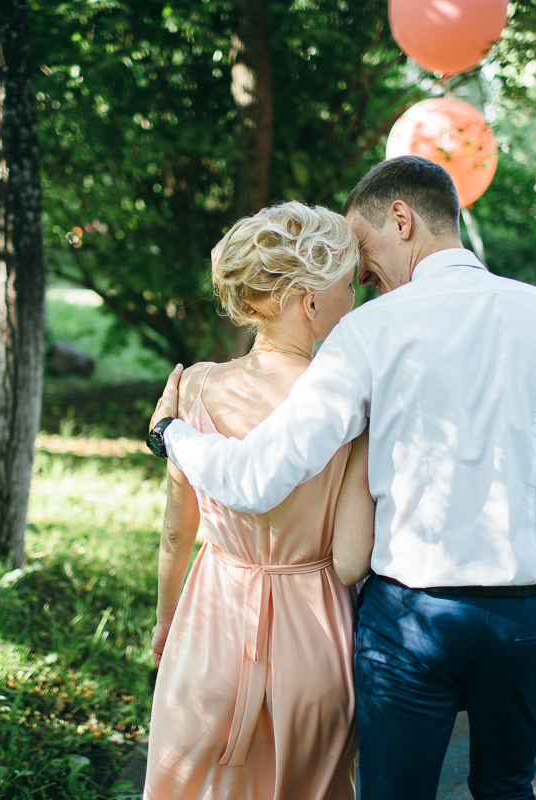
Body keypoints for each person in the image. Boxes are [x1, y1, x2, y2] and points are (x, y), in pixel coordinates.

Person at [145, 156, 536, 800]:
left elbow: (256, 479)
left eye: (363, 251)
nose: (360, 275)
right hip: (525, 621)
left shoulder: (369, 331)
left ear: (402, 220)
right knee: (507, 789)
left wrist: (173, 436)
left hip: (413, 622)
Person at [143, 201, 376, 800]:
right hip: (318, 636)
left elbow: (176, 531)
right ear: (310, 303)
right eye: (347, 285)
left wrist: (167, 621)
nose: (355, 296)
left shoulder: (193, 385)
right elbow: (352, 554)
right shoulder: (352, 403)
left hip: (211, 623)